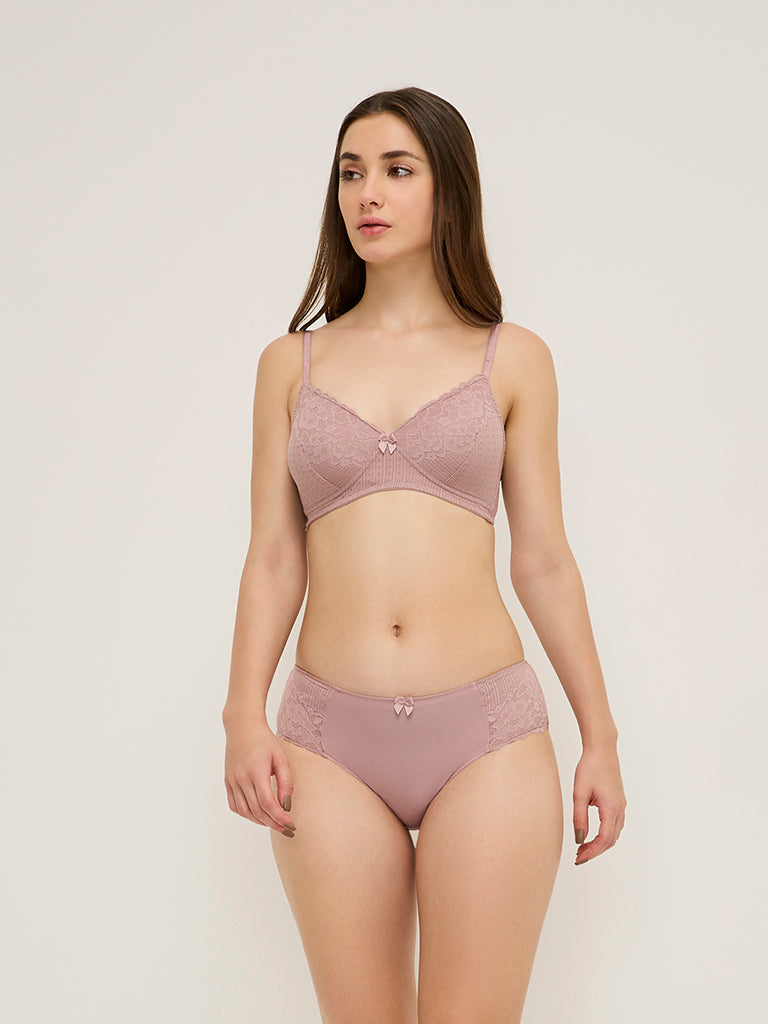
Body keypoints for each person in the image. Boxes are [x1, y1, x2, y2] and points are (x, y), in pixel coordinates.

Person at [222, 86, 626, 1024]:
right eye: (350, 172)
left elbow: (545, 561)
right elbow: (273, 557)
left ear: (449, 192)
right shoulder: (291, 364)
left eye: (397, 170)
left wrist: (600, 737)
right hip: (327, 742)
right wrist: (243, 714)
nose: (367, 193)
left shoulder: (512, 358)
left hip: (487, 735)